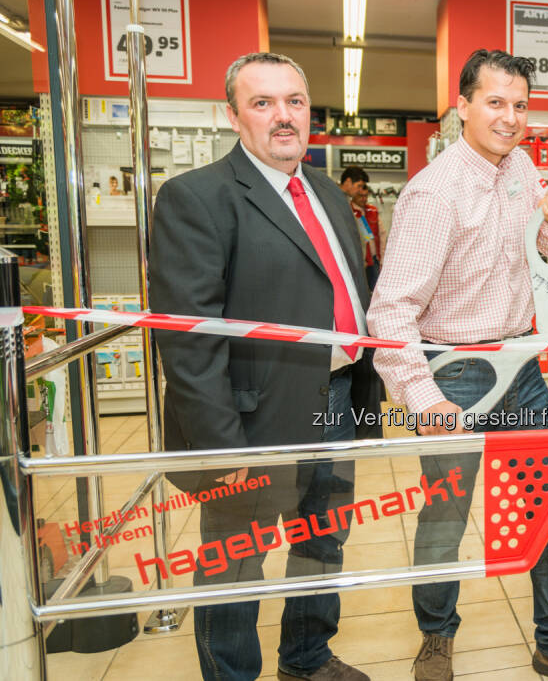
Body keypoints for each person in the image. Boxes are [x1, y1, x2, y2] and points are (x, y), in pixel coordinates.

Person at [367, 49, 548, 681]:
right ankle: (435, 637)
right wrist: (425, 400)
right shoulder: (434, 194)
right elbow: (391, 311)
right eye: (495, 102)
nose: (510, 118)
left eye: (519, 105)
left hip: (521, 359)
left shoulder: (521, 167)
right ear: (463, 107)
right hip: (453, 368)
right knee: (446, 514)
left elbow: (546, 249)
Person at [149, 52, 382, 681]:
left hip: (335, 400)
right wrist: (224, 451)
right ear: (233, 115)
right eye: (263, 103)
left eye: (295, 102)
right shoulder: (195, 198)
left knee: (322, 543)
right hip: (250, 421)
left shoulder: (330, 195)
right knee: (235, 564)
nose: (284, 117)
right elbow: (189, 343)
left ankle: (306, 660)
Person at [339, 166, 382, 290]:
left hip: (363, 260)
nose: (359, 191)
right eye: (358, 186)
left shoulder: (349, 203)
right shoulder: (338, 201)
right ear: (348, 182)